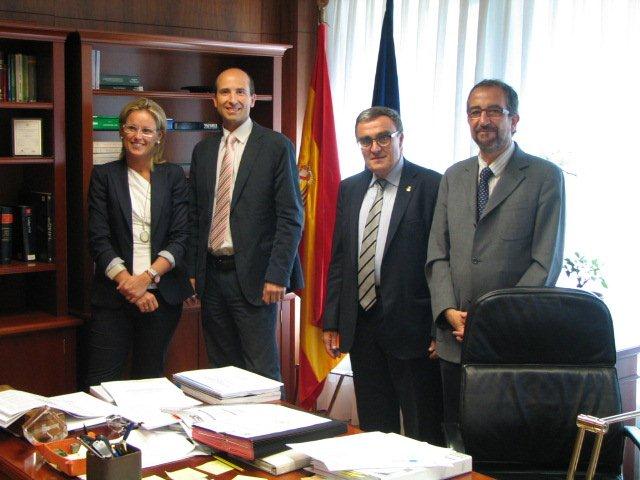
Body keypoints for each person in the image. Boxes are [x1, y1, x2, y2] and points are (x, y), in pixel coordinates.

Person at [426, 79, 566, 424]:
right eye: (475, 112)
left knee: (503, 440)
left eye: (493, 111)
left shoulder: (544, 176)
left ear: (514, 120)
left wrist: (491, 318)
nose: (483, 120)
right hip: (455, 340)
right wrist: (447, 311)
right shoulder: (453, 176)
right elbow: (437, 254)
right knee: (454, 438)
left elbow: (545, 262)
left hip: (510, 341)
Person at [322, 107, 444, 444]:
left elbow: (442, 262)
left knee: (423, 430)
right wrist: (332, 320)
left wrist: (439, 326)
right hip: (362, 327)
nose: (374, 147)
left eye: (383, 138)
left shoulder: (431, 185)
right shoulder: (350, 188)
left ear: (400, 138)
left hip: (413, 329)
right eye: (365, 140)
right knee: (375, 430)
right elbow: (341, 259)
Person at [188, 68, 303, 381]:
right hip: (212, 278)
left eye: (240, 92)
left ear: (253, 99)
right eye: (225, 92)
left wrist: (278, 274)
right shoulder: (203, 150)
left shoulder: (276, 146)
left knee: (260, 372)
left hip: (257, 279)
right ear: (214, 100)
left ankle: (269, 417)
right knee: (221, 373)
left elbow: (291, 216)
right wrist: (194, 271)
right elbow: (196, 215)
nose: (233, 99)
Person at [83, 97, 193, 388]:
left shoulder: (173, 176)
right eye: (131, 128)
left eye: (146, 130)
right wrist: (131, 286)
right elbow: (98, 239)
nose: (138, 136)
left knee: (148, 383)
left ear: (159, 136)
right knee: (101, 383)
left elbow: (181, 237)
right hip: (114, 297)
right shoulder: (104, 176)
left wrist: (147, 278)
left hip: (161, 298)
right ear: (121, 131)